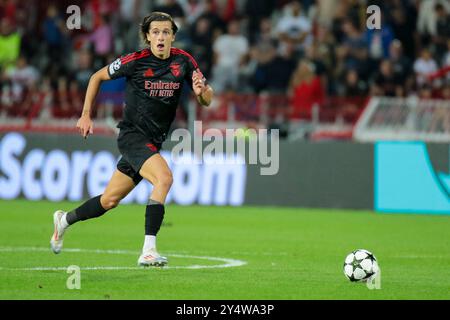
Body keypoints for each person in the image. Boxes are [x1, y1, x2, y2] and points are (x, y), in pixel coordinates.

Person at [50, 12, 214, 267]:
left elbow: (207, 98)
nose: (161, 37)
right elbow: (97, 77)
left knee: (109, 200)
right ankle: (148, 250)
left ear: (173, 36)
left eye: (166, 32)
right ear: (147, 37)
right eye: (156, 32)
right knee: (164, 178)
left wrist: (202, 92)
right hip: (133, 136)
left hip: (153, 141)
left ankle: (64, 220)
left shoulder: (184, 61)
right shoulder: (135, 61)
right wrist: (85, 115)